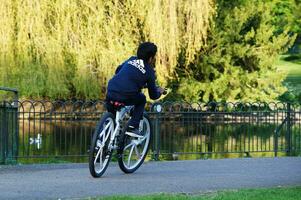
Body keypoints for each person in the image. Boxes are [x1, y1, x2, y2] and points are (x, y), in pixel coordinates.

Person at [106, 42, 165, 137]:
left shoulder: (131, 59)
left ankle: (103, 132)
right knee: (141, 99)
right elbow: (153, 95)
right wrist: (160, 92)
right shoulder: (149, 71)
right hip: (127, 96)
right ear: (150, 58)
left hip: (111, 90)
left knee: (110, 116)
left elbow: (117, 70)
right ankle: (133, 127)